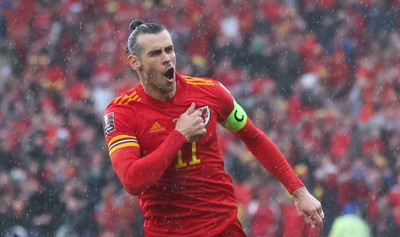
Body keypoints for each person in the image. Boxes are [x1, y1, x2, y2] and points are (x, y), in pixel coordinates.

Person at [102, 19, 324, 236]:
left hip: (223, 228)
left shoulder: (210, 92)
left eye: (169, 50)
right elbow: (132, 181)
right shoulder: (121, 112)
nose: (167, 59)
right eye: (155, 53)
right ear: (134, 62)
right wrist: (179, 135)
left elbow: (254, 138)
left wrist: (299, 192)